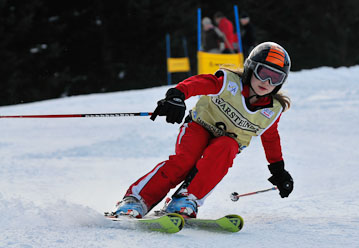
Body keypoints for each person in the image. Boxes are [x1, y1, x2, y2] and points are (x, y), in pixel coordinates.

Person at [112, 42, 294, 219]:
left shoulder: (271, 110)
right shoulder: (229, 83)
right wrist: (177, 96)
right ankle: (136, 200)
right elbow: (200, 83)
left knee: (226, 148)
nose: (267, 82)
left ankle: (186, 199)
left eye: (275, 78)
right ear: (251, 68)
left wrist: (278, 171)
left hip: (227, 141)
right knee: (185, 161)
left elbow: (270, 139)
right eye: (263, 73)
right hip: (199, 127)